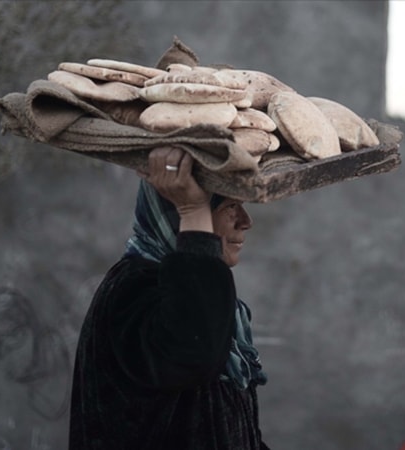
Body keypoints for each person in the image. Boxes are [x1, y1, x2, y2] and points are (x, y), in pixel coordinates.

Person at [69, 147, 270, 449]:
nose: (245, 221)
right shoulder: (133, 288)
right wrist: (193, 211)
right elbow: (195, 354)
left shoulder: (185, 286)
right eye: (230, 206)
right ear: (177, 216)